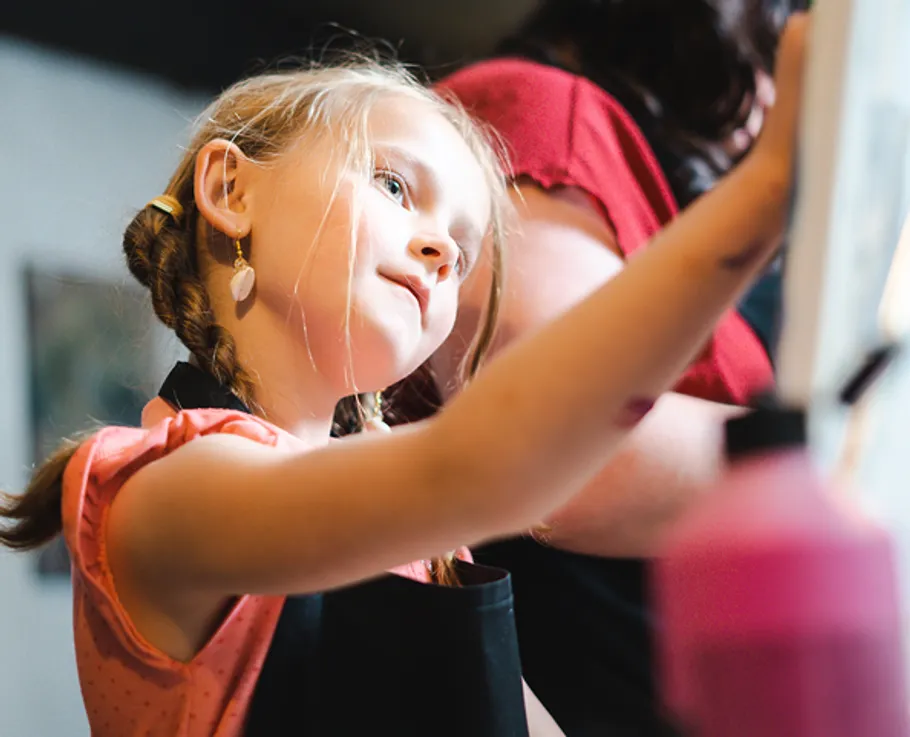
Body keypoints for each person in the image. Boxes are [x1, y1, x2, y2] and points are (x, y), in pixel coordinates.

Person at [0, 17, 806, 736]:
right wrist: (765, 194)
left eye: (463, 243)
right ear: (230, 189)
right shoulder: (158, 492)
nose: (444, 252)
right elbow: (479, 464)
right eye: (393, 185)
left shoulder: (436, 553)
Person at [424, 1, 805, 734]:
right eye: (769, 48)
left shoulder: (636, 178)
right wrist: (848, 467)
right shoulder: (549, 111)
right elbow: (570, 465)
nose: (774, 98)